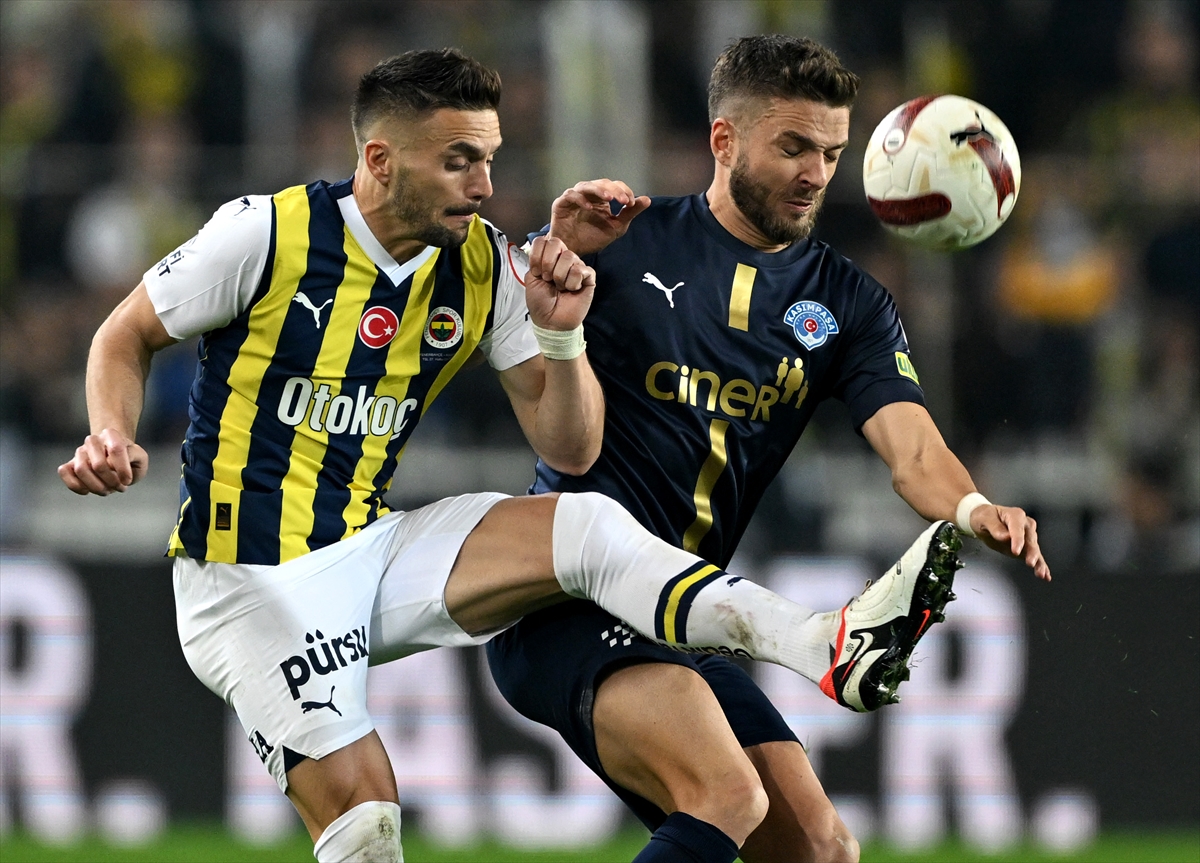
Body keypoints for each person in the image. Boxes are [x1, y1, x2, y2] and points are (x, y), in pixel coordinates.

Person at [56, 48, 951, 863]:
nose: (485, 185)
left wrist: (562, 338)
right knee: (366, 825)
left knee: (586, 522)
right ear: (381, 161)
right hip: (245, 580)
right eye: (459, 161)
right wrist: (110, 431)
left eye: (489, 159)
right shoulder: (267, 232)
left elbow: (572, 445)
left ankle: (818, 641)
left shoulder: (482, 266)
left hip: (366, 547)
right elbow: (123, 334)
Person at [487, 35, 1051, 863]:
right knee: (727, 795)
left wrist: (974, 507)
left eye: (832, 152)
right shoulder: (624, 242)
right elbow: (528, 371)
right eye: (794, 147)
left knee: (819, 849)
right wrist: (549, 249)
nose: (817, 173)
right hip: (564, 599)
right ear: (725, 140)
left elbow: (913, 451)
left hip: (681, 616)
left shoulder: (848, 304)